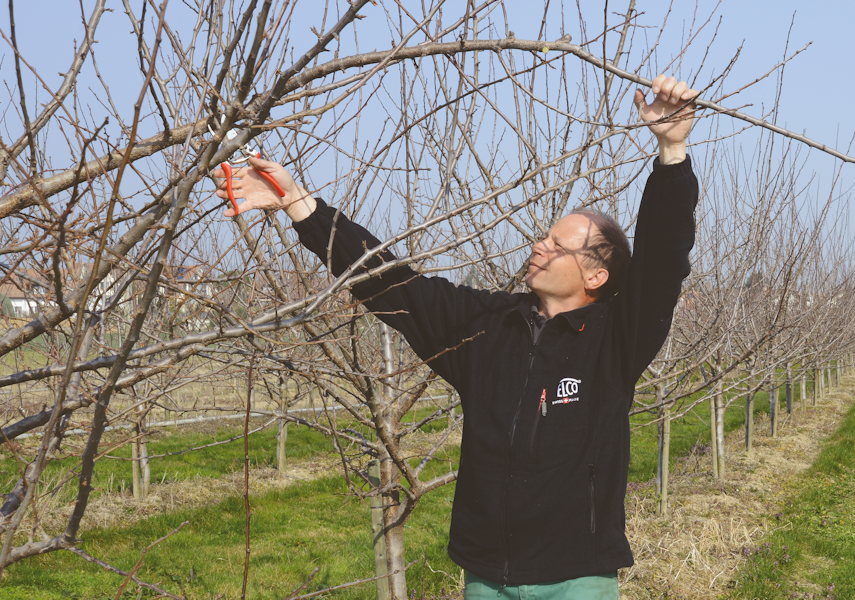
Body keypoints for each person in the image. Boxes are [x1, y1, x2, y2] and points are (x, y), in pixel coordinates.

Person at [214, 75, 699, 599]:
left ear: (597, 275)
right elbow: (393, 284)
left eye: (558, 245)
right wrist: (298, 204)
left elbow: (662, 261)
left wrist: (672, 150)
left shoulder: (614, 341)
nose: (538, 247)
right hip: (487, 575)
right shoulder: (488, 325)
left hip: (577, 575)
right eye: (542, 236)